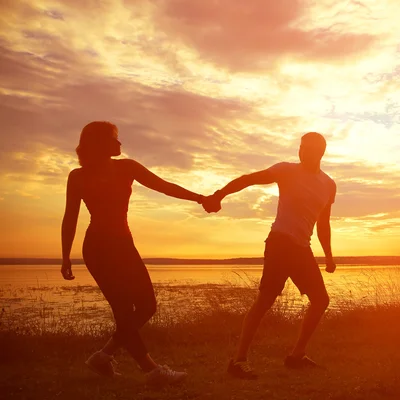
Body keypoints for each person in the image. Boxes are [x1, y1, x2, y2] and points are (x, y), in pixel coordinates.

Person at [60, 121, 204, 386]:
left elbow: (164, 186)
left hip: (124, 245)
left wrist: (200, 198)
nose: (120, 144)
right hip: (98, 248)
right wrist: (65, 256)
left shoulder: (127, 168)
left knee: (148, 305)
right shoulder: (77, 176)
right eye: (115, 139)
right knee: (123, 309)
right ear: (100, 143)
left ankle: (103, 355)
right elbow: (70, 217)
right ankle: (151, 370)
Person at [202, 132, 337, 379]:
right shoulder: (286, 170)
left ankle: (296, 356)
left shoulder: (328, 185)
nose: (303, 152)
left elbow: (323, 224)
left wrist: (329, 255)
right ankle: (238, 361)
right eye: (301, 147)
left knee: (320, 300)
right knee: (265, 300)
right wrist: (219, 194)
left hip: (302, 248)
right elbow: (248, 179)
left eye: (309, 148)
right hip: (280, 243)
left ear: (322, 152)